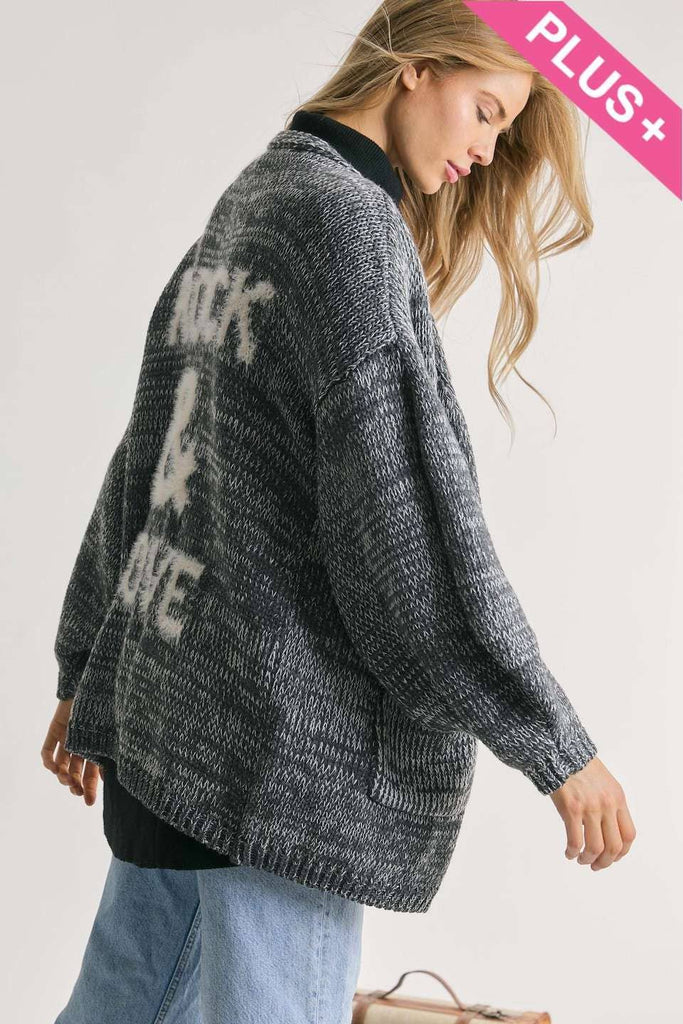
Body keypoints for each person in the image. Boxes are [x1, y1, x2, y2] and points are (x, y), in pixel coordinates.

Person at [43, 2, 636, 1022]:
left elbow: (152, 454)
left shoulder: (260, 192)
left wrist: (89, 661)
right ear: (416, 68)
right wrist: (556, 748)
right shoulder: (347, 227)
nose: (486, 153)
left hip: (164, 733)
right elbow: (407, 545)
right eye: (485, 112)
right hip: (270, 765)